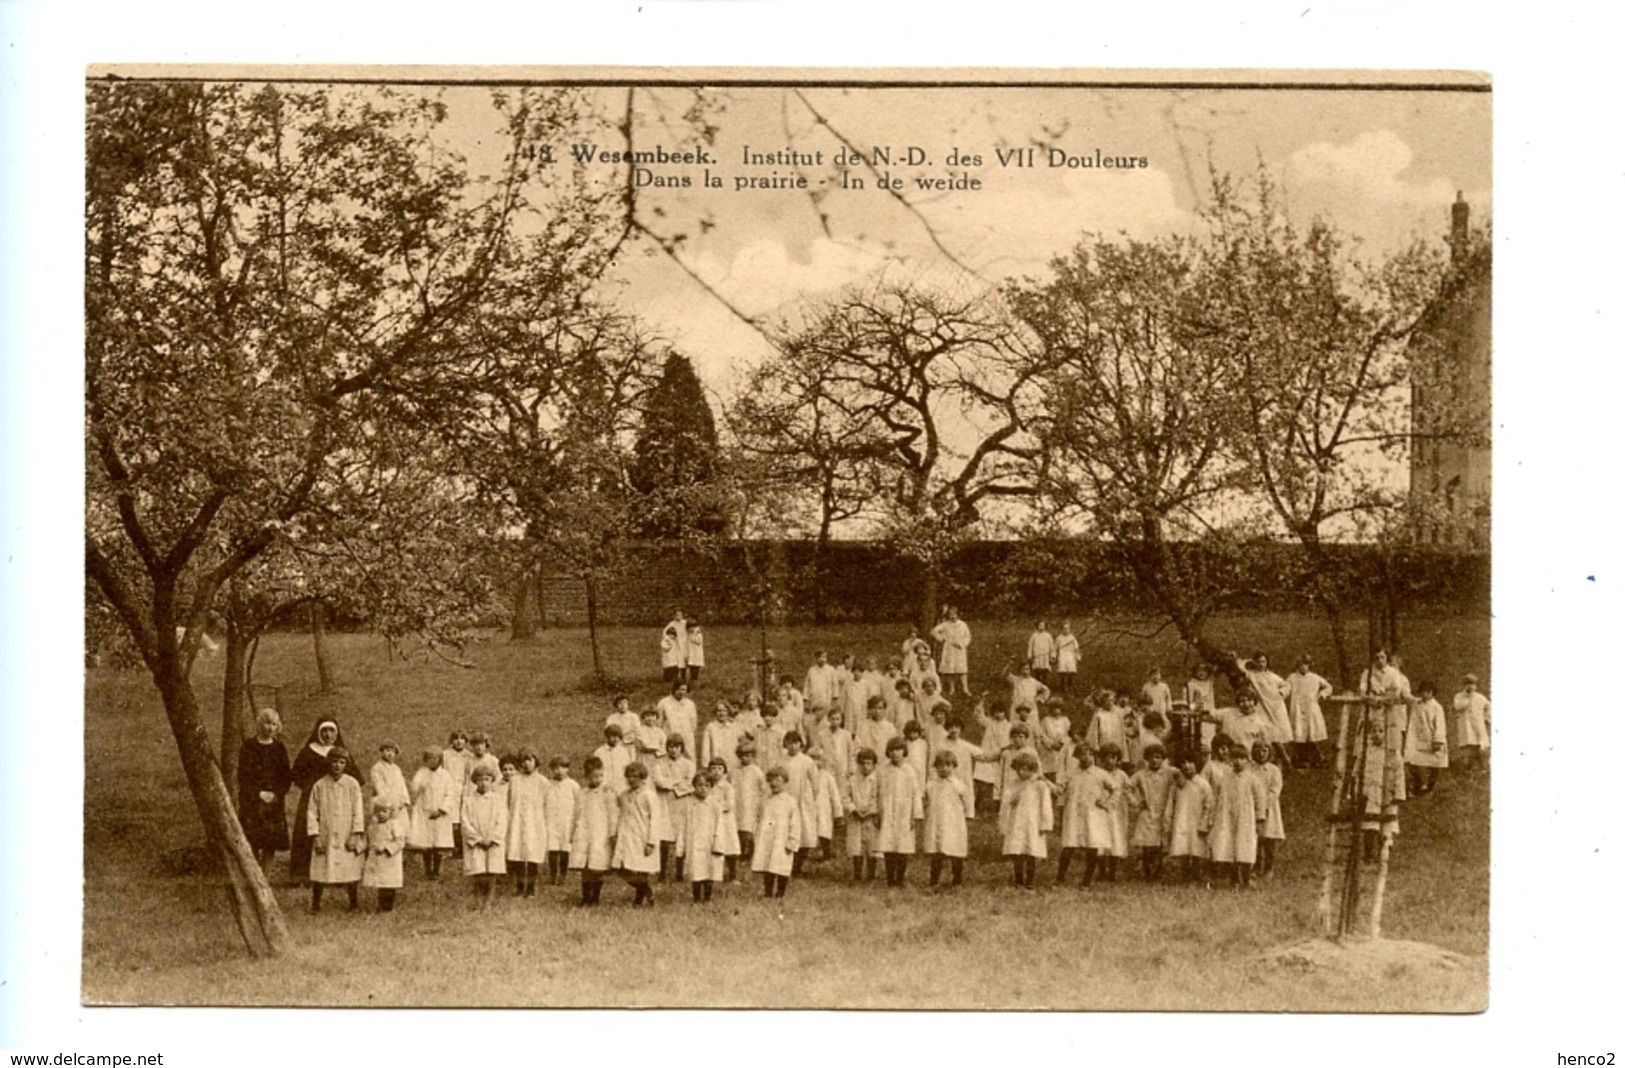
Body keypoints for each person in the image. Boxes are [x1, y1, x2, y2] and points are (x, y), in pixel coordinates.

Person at [290, 718, 359, 883]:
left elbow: (354, 777)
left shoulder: (340, 753)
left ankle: (338, 874)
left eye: (331, 731)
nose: (328, 735)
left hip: (337, 800)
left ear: (337, 733)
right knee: (308, 833)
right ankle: (302, 874)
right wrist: (311, 786)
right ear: (318, 733)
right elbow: (296, 775)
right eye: (324, 731)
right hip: (311, 799)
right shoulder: (308, 751)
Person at [306, 747, 366, 913]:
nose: (337, 766)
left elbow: (358, 811)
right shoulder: (320, 785)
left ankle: (353, 903)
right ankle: (315, 904)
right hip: (326, 833)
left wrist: (355, 834)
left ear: (346, 765)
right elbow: (312, 812)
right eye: (334, 762)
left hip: (346, 832)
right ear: (328, 763)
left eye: (341, 762)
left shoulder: (352, 784)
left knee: (349, 868)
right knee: (321, 868)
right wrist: (315, 835)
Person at [236, 707, 292, 871]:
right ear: (260, 724)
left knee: (270, 842)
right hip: (252, 800)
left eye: (274, 724)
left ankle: (266, 877)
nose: (270, 728)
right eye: (267, 723)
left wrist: (276, 794)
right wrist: (258, 793)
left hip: (273, 802)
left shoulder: (279, 748)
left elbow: (285, 776)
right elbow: (243, 775)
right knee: (253, 839)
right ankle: (254, 874)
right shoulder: (249, 746)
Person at [1208, 742, 1267, 889]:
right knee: (1230, 848)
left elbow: (1260, 799)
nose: (1238, 762)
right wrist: (1215, 816)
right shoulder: (1225, 777)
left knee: (1245, 847)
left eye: (1242, 758)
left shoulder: (1252, 778)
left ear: (1247, 760)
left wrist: (1260, 818)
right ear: (1230, 759)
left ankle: (1246, 880)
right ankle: (1234, 880)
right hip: (1227, 818)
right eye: (1235, 758)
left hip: (1246, 818)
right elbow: (1217, 796)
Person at [569, 756, 618, 907]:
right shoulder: (582, 793)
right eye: (593, 776)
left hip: (600, 833)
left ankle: (595, 898)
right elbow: (576, 813)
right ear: (586, 776)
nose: (597, 780)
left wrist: (612, 833)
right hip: (584, 832)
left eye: (600, 776)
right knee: (585, 867)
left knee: (597, 867)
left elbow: (612, 815)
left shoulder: (607, 793)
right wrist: (572, 832)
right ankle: (585, 897)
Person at [1000, 751, 1053, 890]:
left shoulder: (1040, 785)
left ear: (1032, 769)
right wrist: (1012, 798)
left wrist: (1045, 824)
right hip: (1017, 822)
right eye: (1019, 769)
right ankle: (1018, 880)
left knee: (1031, 852)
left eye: (1026, 769)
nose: (1022, 772)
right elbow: (1006, 799)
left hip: (1033, 823)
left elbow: (1046, 805)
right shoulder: (1013, 784)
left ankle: (1030, 881)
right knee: (1017, 851)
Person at [1057, 744, 1107, 887]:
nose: (1086, 757)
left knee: (1092, 846)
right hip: (1073, 815)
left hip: (1092, 816)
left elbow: (1115, 788)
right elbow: (1061, 788)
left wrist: (1106, 802)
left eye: (1090, 754)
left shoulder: (1100, 774)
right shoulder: (1072, 773)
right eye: (1083, 755)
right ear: (1077, 757)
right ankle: (1060, 878)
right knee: (1069, 846)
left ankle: (1087, 881)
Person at [876, 737, 924, 886]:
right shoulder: (883, 770)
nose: (895, 753)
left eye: (898, 750)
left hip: (904, 812)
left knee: (902, 846)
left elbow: (916, 793)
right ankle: (890, 879)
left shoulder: (909, 771)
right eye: (892, 750)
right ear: (888, 752)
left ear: (904, 752)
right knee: (888, 845)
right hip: (887, 810)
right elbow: (878, 792)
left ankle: (900, 879)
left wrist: (915, 815)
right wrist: (878, 813)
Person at [1129, 742, 1178, 882]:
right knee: (1147, 845)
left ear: (1163, 759)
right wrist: (1136, 802)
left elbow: (1182, 778)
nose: (1154, 760)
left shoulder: (1169, 772)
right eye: (1151, 757)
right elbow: (1127, 787)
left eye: (1158, 757)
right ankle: (1147, 872)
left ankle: (1158, 871)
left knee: (1160, 845)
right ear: (1146, 759)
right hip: (1147, 811)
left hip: (1163, 811)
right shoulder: (1141, 775)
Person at [614, 761, 660, 906]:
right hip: (627, 836)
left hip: (642, 836)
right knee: (623, 869)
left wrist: (651, 842)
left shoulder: (648, 795)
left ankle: (639, 899)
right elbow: (619, 813)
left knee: (641, 870)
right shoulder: (624, 795)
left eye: (635, 776)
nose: (632, 780)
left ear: (642, 778)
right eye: (629, 777)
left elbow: (656, 819)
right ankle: (647, 890)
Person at [923, 751, 971, 888]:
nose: (944, 768)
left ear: (954, 766)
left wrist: (965, 816)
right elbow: (927, 802)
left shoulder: (958, 785)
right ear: (936, 767)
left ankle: (957, 881)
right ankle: (934, 881)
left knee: (956, 851)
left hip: (954, 823)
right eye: (941, 765)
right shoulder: (931, 785)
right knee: (937, 852)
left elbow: (967, 803)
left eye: (948, 765)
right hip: (937, 822)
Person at [461, 764, 508, 908]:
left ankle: (488, 902)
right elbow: (465, 821)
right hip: (476, 842)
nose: (483, 783)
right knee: (478, 871)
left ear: (492, 780)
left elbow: (502, 820)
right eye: (480, 779)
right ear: (475, 781)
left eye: (487, 779)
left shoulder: (497, 800)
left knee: (491, 872)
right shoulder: (469, 800)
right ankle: (478, 900)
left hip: (492, 842)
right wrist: (477, 839)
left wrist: (493, 838)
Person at [752, 767, 802, 898]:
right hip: (767, 838)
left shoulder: (790, 802)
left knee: (782, 866)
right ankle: (768, 892)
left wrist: (792, 840)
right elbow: (758, 818)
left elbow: (795, 823)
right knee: (767, 866)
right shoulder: (764, 801)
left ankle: (780, 893)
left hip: (782, 839)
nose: (774, 783)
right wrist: (756, 834)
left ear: (785, 782)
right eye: (772, 781)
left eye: (778, 780)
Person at [1236, 651, 1293, 765]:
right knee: (1266, 734)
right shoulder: (1252, 675)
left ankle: (1284, 760)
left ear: (1267, 663)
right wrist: (1249, 662)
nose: (1261, 664)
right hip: (1262, 708)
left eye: (1263, 661)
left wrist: (1281, 692)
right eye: (1258, 662)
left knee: (1279, 734)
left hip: (1276, 707)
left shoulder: (1272, 676)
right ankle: (1270, 759)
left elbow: (1287, 685)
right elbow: (1240, 666)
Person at [652, 736, 696, 882]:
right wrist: (676, 783)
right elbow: (658, 780)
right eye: (670, 746)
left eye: (676, 747)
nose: (673, 750)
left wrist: (673, 787)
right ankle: (662, 872)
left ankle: (679, 873)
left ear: (681, 748)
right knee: (664, 838)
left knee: (681, 838)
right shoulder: (659, 763)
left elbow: (691, 783)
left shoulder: (688, 764)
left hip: (682, 803)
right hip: (664, 803)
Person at [407, 747, 455, 880]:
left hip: (439, 813)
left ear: (440, 760)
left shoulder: (445, 775)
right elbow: (414, 788)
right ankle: (428, 870)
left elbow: (450, 794)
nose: (432, 761)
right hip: (425, 812)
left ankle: (436, 870)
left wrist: (441, 810)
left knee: (438, 843)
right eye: (429, 759)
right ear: (425, 760)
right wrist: (418, 786)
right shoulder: (422, 773)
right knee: (426, 843)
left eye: (435, 759)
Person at [505, 749, 548, 897]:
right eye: (524, 760)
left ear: (535, 761)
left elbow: (546, 804)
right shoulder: (515, 780)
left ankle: (530, 888)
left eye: (530, 760)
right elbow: (509, 801)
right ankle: (519, 887)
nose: (526, 763)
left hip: (534, 823)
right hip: (517, 821)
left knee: (531, 855)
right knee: (516, 854)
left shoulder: (542, 782)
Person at [682, 773, 729, 903]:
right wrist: (681, 846)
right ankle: (696, 897)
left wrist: (718, 843)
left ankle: (707, 897)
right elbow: (683, 825)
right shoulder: (689, 804)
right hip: (694, 841)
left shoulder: (715, 804)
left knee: (710, 870)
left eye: (706, 785)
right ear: (694, 786)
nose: (702, 788)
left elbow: (719, 825)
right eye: (699, 785)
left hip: (710, 842)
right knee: (696, 870)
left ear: (711, 787)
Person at [1166, 757, 1214, 884]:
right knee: (1183, 849)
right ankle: (1184, 876)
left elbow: (1209, 805)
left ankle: (1196, 876)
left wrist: (1204, 823)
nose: (1187, 766)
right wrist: (1168, 822)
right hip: (1181, 821)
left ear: (1196, 763)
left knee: (1196, 850)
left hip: (1197, 823)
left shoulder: (1203, 784)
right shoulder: (1177, 785)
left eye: (1190, 762)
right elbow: (1170, 804)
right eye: (1183, 763)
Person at [1403, 679, 1449, 795]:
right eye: (1422, 692)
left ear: (1432, 693)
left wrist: (1438, 740)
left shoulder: (1437, 707)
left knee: (1434, 763)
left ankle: (1430, 785)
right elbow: (1408, 698)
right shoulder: (1417, 704)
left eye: (1427, 692)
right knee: (1416, 761)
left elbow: (1440, 724)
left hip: (1431, 738)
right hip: (1418, 738)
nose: (1424, 694)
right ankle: (1420, 783)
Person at [1286, 657, 1333, 767]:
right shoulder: (1292, 678)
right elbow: (1286, 687)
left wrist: (1322, 694)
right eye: (1301, 664)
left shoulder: (1314, 677)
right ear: (1298, 665)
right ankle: (1301, 759)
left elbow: (1328, 687)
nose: (1303, 667)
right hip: (1297, 708)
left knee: (1311, 733)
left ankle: (1315, 758)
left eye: (1306, 664)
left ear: (1309, 665)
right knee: (1299, 734)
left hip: (1311, 707)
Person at [845, 748, 881, 882]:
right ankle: (857, 875)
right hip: (855, 817)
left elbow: (878, 798)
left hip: (871, 817)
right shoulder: (852, 780)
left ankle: (871, 875)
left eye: (869, 763)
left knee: (872, 846)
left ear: (874, 765)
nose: (865, 767)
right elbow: (845, 797)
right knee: (856, 847)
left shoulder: (877, 780)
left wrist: (871, 811)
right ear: (858, 764)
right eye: (863, 764)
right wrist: (854, 809)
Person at [362, 800, 405, 912]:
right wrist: (359, 848)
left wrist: (387, 848)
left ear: (390, 813)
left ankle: (387, 906)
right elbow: (367, 839)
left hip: (389, 859)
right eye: (378, 812)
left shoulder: (395, 825)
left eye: (384, 811)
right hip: (376, 858)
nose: (381, 814)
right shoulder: (373, 826)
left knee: (389, 883)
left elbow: (400, 842)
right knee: (380, 883)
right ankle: (381, 905)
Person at [541, 756, 579, 885]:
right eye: (556, 768)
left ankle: (562, 875)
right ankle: (553, 875)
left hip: (567, 820)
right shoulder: (547, 785)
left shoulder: (573, 785)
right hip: (551, 820)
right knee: (552, 848)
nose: (559, 771)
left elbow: (579, 804)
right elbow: (543, 802)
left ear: (567, 769)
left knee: (564, 849)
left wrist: (575, 822)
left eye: (563, 767)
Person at [1249, 742, 1284, 876]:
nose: (1261, 754)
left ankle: (1269, 868)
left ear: (1269, 753)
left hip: (1270, 809)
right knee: (1256, 838)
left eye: (1264, 751)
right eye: (1258, 751)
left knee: (1269, 839)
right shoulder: (1250, 770)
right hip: (1253, 808)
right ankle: (1257, 866)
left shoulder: (1274, 770)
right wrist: (1254, 804)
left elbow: (1275, 790)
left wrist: (1264, 805)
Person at [368, 741, 411, 841]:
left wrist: (404, 800)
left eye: (392, 751)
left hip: (398, 803)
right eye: (387, 750)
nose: (390, 754)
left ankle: (398, 846)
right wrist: (387, 802)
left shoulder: (396, 769)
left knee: (398, 830)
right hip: (384, 803)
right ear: (382, 752)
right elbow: (379, 786)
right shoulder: (377, 768)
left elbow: (402, 785)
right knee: (383, 829)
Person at [734, 743, 766, 864]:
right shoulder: (735, 771)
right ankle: (741, 852)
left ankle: (750, 853)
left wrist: (760, 802)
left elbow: (763, 788)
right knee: (739, 828)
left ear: (753, 756)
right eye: (742, 756)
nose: (745, 758)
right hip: (738, 803)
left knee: (749, 829)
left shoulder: (756, 771)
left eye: (748, 756)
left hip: (751, 803)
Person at [809, 749, 844, 862]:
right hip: (809, 807)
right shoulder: (806, 776)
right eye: (812, 759)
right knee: (809, 830)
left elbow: (835, 796)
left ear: (823, 762)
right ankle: (805, 853)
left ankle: (826, 853)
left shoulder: (828, 777)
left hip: (824, 808)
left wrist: (838, 814)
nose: (815, 762)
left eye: (818, 759)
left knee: (824, 831)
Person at [439, 730, 471, 852]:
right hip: (448, 787)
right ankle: (450, 845)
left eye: (462, 738)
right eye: (456, 739)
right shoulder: (445, 755)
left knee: (462, 816)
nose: (459, 741)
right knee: (450, 817)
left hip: (463, 788)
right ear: (451, 741)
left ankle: (461, 846)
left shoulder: (468, 756)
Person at [931, 607, 973, 697]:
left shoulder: (962, 625)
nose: (952, 616)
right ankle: (952, 688)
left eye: (954, 614)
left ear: (957, 614)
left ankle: (965, 688)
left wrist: (962, 644)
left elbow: (967, 636)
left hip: (959, 649)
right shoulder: (945, 624)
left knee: (962, 669)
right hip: (949, 649)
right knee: (950, 670)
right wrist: (941, 639)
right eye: (950, 614)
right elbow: (934, 631)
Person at [1453, 673, 1490, 772]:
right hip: (1465, 724)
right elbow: (1457, 706)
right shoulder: (1459, 697)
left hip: (1478, 724)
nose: (1470, 686)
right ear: (1463, 685)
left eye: (1472, 684)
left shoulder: (1480, 697)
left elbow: (1488, 707)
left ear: (1476, 686)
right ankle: (1468, 767)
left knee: (1480, 744)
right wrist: (1467, 698)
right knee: (1467, 746)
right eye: (1467, 684)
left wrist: (1487, 718)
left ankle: (1483, 767)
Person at [657, 682, 698, 762]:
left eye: (684, 690)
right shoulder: (664, 703)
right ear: (674, 689)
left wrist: (688, 733)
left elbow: (693, 723)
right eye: (679, 689)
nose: (681, 692)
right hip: (670, 735)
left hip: (686, 736)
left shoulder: (690, 704)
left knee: (689, 758)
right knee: (669, 758)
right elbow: (659, 722)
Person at [1036, 698, 1071, 782]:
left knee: (1061, 770)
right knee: (1049, 770)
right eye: (1054, 708)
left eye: (1058, 708)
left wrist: (1061, 743)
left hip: (1061, 748)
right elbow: (1042, 734)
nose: (1056, 711)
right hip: (1049, 749)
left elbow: (1068, 734)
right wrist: (1051, 744)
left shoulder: (1065, 720)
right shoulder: (1046, 720)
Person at [594, 724, 633, 794]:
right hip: (605, 787)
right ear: (607, 737)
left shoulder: (623, 752)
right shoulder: (599, 752)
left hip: (621, 786)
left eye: (618, 737)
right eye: (613, 736)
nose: (615, 739)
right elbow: (596, 771)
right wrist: (603, 784)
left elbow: (627, 769)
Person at [804, 650, 840, 720]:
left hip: (826, 699)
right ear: (816, 658)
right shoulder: (811, 670)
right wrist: (806, 701)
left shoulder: (831, 670)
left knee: (826, 719)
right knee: (814, 718)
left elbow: (835, 685)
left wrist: (834, 700)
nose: (823, 659)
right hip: (814, 699)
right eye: (820, 657)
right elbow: (807, 686)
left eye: (824, 657)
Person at [660, 609, 689, 685]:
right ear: (674, 616)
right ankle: (672, 678)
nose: (678, 616)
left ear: (682, 615)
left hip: (685, 643)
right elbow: (665, 632)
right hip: (676, 643)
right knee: (676, 661)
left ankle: (683, 677)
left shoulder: (685, 623)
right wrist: (669, 639)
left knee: (684, 660)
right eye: (676, 615)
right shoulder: (672, 624)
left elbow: (692, 630)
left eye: (680, 615)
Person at [1026, 620, 1056, 685]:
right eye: (1040, 625)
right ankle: (1037, 687)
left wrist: (1053, 656)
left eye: (1043, 625)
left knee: (1045, 672)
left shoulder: (1048, 636)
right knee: (1037, 672)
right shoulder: (1034, 636)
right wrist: (1029, 656)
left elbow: (1052, 647)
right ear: (1037, 626)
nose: (1041, 627)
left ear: (1045, 626)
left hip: (1045, 657)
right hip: (1037, 656)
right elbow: (1030, 646)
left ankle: (1045, 687)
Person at [1054, 622, 1080, 694]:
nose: (1066, 630)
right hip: (1062, 655)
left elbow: (1076, 648)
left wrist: (1078, 657)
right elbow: (1055, 648)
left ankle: (1070, 686)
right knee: (1062, 672)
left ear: (1070, 629)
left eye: (1067, 628)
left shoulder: (1072, 638)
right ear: (1062, 629)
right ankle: (1062, 687)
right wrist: (1054, 656)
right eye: (1064, 628)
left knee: (1071, 672)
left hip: (1070, 656)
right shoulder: (1059, 638)